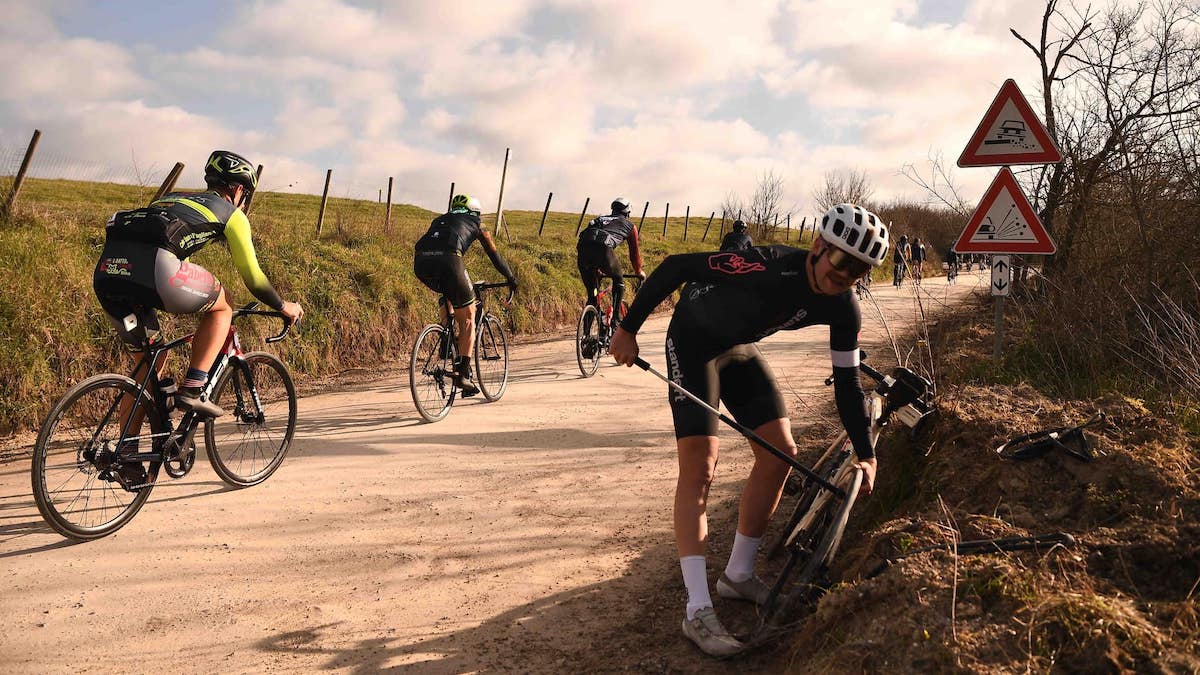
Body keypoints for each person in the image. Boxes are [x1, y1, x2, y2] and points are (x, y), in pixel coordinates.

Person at [609, 203, 889, 657]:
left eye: (856, 271)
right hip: (693, 342)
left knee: (781, 451)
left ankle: (737, 575)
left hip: (737, 347)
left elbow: (848, 382)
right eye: (840, 262)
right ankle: (697, 610)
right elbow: (675, 267)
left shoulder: (844, 307)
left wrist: (866, 452)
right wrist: (627, 328)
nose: (843, 277)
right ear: (819, 247)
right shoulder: (766, 264)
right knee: (700, 468)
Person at [93, 150, 304, 482]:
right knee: (224, 304)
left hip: (110, 274)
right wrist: (284, 306)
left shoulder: (173, 198)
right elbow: (254, 278)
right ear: (239, 190)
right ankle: (193, 389)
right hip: (154, 271)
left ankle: (128, 456)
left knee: (147, 371)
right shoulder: (232, 214)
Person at [414, 194, 517, 396]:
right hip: (450, 262)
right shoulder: (477, 223)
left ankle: (446, 339)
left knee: (448, 291)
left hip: (421, 263)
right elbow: (494, 256)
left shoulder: (440, 219)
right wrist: (511, 277)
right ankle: (463, 374)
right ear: (476, 212)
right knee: (468, 316)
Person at [576, 197, 645, 347]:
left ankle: (586, 337)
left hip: (583, 250)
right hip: (604, 249)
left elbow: (590, 240)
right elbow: (634, 254)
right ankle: (615, 321)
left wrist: (597, 268)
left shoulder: (599, 218)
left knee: (592, 296)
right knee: (618, 279)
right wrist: (639, 271)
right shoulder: (629, 225)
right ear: (627, 213)